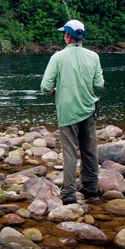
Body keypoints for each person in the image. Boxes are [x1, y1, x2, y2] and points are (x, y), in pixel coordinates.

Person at [40, 20, 104, 204]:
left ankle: (68, 194)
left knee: (70, 153)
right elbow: (99, 85)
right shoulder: (94, 56)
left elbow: (45, 87)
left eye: (64, 34)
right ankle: (91, 188)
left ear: (68, 36)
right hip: (89, 109)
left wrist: (55, 91)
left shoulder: (58, 57)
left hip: (67, 112)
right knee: (90, 151)